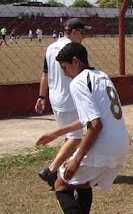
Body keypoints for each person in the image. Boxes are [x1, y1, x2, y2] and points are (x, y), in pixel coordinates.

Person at [36, 42, 129, 214]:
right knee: (83, 183)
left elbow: (95, 125)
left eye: (66, 68)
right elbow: (94, 117)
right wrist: (57, 132)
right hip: (121, 142)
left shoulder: (79, 82)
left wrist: (76, 158)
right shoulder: (101, 75)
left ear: (76, 62)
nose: (66, 75)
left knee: (61, 183)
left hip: (103, 142)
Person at [35, 18, 91, 189]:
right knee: (75, 138)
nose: (84, 36)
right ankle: (51, 170)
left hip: (55, 97)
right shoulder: (75, 50)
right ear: (73, 32)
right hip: (70, 98)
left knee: (69, 136)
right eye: (83, 33)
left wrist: (41, 96)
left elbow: (45, 74)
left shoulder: (51, 47)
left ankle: (66, 168)